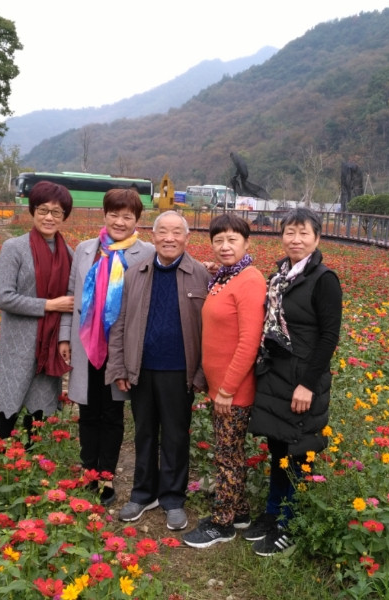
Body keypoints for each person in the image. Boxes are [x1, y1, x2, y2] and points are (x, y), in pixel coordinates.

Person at [246, 207, 342, 556]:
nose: (296, 239)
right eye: (290, 232)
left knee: (299, 452)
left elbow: (329, 337)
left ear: (317, 238)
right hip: (277, 375)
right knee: (278, 448)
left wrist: (308, 385)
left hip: (303, 378)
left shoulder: (324, 279)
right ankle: (273, 513)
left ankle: (291, 521)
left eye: (304, 233)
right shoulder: (280, 276)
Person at [105, 211, 209, 530]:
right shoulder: (136, 272)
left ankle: (173, 498)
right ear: (153, 236)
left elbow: (211, 330)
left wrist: (202, 373)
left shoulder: (201, 274)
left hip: (179, 370)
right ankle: (143, 493)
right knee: (144, 433)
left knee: (176, 435)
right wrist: (119, 365)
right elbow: (120, 322)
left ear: (187, 238)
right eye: (163, 231)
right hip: (142, 368)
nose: (169, 238)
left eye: (176, 232)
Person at [58, 189, 153, 505]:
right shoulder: (86, 250)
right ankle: (89, 471)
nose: (120, 222)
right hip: (87, 343)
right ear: (104, 215)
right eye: (114, 214)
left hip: (121, 347)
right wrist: (65, 336)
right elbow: (72, 295)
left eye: (127, 216)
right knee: (87, 410)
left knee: (112, 412)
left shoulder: (146, 253)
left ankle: (107, 476)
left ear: (137, 220)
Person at [183, 214, 266, 548]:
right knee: (229, 451)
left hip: (235, 390)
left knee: (227, 456)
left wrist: (228, 389)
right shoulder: (224, 277)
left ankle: (222, 524)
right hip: (221, 387)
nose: (225, 246)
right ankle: (240, 512)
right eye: (218, 240)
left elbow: (249, 342)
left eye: (232, 239)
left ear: (247, 243)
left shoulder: (250, 279)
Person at [0, 181, 74, 445]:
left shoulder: (68, 253)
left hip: (49, 342)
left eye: (56, 212)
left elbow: (71, 300)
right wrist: (48, 305)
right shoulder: (14, 248)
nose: (49, 217)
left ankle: (28, 459)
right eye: (43, 210)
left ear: (64, 216)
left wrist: (64, 338)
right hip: (19, 342)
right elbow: (3, 297)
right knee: (10, 404)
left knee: (37, 410)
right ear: (33, 211)